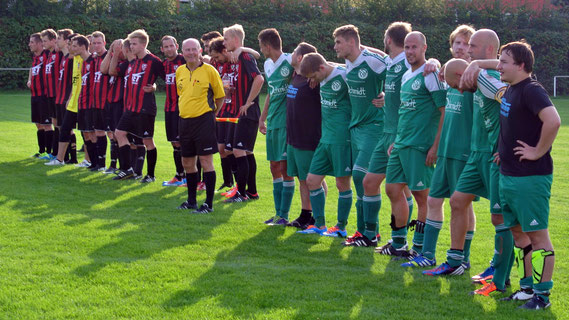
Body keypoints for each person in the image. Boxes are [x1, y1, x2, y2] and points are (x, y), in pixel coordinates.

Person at [424, 31, 512, 291]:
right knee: (457, 201)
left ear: (487, 49)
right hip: (475, 153)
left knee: (500, 219)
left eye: (472, 45)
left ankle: (500, 272)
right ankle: (455, 260)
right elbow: (457, 70)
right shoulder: (477, 73)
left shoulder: (489, 76)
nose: (467, 49)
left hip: (490, 154)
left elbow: (511, 100)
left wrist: (479, 65)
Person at [402, 25, 477, 269]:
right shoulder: (446, 71)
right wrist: (433, 61)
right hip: (445, 150)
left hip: (464, 151)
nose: (460, 47)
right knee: (436, 201)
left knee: (461, 204)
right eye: (457, 42)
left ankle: (461, 257)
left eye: (466, 43)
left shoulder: (479, 76)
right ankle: (428, 254)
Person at [496, 41, 560, 309]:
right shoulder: (510, 89)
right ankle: (526, 289)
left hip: (530, 177)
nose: (499, 66)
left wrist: (537, 151)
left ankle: (542, 296)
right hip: (508, 174)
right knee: (519, 234)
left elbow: (553, 120)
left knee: (537, 236)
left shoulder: (532, 90)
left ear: (521, 65)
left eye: (504, 62)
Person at [381, 31, 446, 256]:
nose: (410, 52)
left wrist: (436, 147)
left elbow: (444, 112)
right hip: (401, 144)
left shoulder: (431, 74)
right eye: (407, 47)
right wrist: (397, 139)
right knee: (392, 189)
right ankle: (399, 243)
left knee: (422, 197)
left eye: (414, 47)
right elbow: (404, 110)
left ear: (424, 48)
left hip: (421, 147)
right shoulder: (407, 75)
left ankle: (419, 247)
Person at [333, 24, 387, 246]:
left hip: (375, 126)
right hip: (356, 128)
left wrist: (388, 95)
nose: (335, 46)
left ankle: (370, 232)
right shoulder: (349, 61)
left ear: (351, 42)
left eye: (338, 42)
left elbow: (397, 70)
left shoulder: (372, 61)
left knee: (360, 176)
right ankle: (364, 231)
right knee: (360, 181)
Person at [299, 52, 352, 236]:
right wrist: (316, 77)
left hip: (342, 138)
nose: (312, 81)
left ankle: (341, 227)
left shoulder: (344, 75)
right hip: (325, 138)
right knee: (312, 181)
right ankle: (319, 225)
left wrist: (382, 95)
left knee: (342, 184)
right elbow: (324, 63)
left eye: (313, 77)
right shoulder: (323, 73)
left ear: (321, 68)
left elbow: (368, 88)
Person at [175, 38, 225, 213]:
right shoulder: (179, 71)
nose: (190, 53)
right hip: (184, 121)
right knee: (187, 162)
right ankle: (191, 201)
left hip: (204, 120)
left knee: (205, 161)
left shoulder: (210, 71)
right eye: (187, 50)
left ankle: (208, 204)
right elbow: (181, 94)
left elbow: (220, 96)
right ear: (182, 52)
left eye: (193, 49)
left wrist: (211, 114)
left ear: (199, 51)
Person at [277, 42, 322, 228]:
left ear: (301, 57)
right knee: (302, 179)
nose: (291, 54)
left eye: (294, 52)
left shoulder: (315, 80)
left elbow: (338, 68)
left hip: (307, 137)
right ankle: (305, 214)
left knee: (313, 179)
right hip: (293, 137)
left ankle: (316, 217)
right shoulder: (296, 76)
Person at [114, 29, 165, 182]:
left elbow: (166, 78)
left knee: (147, 141)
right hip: (130, 108)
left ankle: (150, 175)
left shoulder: (154, 61)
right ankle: (127, 169)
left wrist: (155, 86)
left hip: (145, 108)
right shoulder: (133, 62)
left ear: (143, 44)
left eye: (134, 44)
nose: (131, 47)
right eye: (130, 44)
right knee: (119, 133)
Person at [222, 24, 265, 203]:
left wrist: (248, 101)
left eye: (226, 39)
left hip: (247, 112)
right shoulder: (236, 58)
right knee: (245, 152)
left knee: (239, 151)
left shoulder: (245, 56)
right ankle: (252, 192)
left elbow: (259, 78)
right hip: (238, 112)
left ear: (235, 40)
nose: (224, 43)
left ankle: (241, 194)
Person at [257, 28, 295, 225]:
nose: (261, 50)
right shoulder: (267, 64)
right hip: (272, 123)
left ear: (267, 46)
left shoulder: (291, 60)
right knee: (274, 167)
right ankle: (278, 213)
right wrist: (262, 118)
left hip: (288, 124)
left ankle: (285, 215)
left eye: (261, 46)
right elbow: (271, 93)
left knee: (285, 168)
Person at [45, 34, 87, 166]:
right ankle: (60, 159)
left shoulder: (85, 60)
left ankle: (89, 161)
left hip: (83, 102)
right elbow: (74, 83)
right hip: (72, 101)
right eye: (70, 45)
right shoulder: (73, 59)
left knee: (87, 133)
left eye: (73, 46)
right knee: (64, 128)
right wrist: (69, 98)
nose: (71, 48)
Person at [208, 37, 238, 192]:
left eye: (217, 56)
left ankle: (238, 185)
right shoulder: (215, 64)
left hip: (234, 111)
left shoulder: (236, 59)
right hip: (221, 110)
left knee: (230, 149)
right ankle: (228, 182)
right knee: (221, 148)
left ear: (224, 51)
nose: (215, 59)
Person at [160, 35, 187, 187]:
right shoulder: (163, 65)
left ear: (177, 46)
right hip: (169, 108)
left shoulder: (184, 61)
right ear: (162, 49)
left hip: (183, 109)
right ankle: (179, 175)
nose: (169, 49)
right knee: (174, 143)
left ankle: (189, 177)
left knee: (184, 142)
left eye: (172, 45)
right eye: (166, 47)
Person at [28, 32, 51, 159]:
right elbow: (32, 69)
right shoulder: (35, 58)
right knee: (38, 123)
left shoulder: (47, 55)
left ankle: (49, 152)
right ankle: (41, 150)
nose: (29, 44)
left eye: (32, 42)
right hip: (34, 94)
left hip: (44, 95)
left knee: (47, 124)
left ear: (39, 43)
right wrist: (29, 79)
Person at [90, 31, 110, 171]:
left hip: (107, 102)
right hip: (95, 101)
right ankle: (100, 164)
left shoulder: (110, 57)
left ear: (104, 43)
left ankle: (113, 165)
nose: (96, 45)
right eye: (94, 43)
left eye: (99, 43)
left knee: (111, 133)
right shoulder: (94, 59)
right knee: (98, 132)